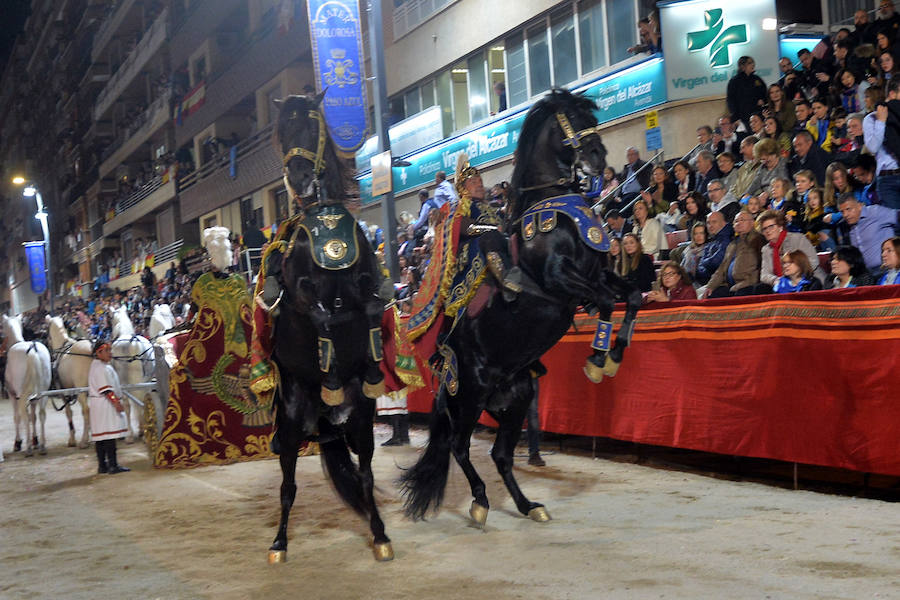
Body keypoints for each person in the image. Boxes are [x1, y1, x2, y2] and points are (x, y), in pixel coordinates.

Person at [757, 209, 824, 293]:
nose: (767, 231)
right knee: (759, 289)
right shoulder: (766, 249)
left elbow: (813, 261)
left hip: (808, 280)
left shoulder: (797, 238)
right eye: (764, 229)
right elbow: (764, 275)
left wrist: (795, 276)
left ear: (780, 227)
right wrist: (777, 280)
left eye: (771, 226)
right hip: (782, 285)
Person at [89, 339, 129, 474]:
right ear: (98, 353)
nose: (110, 353)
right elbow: (106, 390)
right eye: (107, 350)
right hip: (104, 404)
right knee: (108, 436)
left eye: (110, 350)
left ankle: (102, 465)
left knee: (101, 438)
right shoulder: (100, 368)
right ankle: (113, 465)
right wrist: (116, 403)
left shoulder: (99, 366)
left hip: (99, 404)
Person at [705, 210, 764, 297]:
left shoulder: (758, 240)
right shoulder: (732, 244)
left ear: (752, 223)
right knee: (712, 295)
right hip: (730, 285)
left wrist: (744, 284)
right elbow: (721, 269)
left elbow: (761, 268)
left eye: (742, 220)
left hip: (747, 284)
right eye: (736, 221)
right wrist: (710, 286)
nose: (739, 223)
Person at [837, 193, 899, 271]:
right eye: (842, 212)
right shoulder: (845, 226)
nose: (845, 215)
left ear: (859, 206)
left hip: (886, 269)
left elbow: (898, 215)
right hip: (866, 273)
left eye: (848, 209)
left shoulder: (875, 212)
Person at [863, 79, 900, 209]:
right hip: (887, 180)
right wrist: (881, 122)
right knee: (895, 223)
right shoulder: (871, 118)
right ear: (892, 94)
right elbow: (873, 147)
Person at [727, 56, 767, 128]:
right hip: (743, 118)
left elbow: (764, 92)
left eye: (753, 62)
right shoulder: (734, 81)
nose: (753, 65)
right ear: (742, 66)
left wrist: (763, 100)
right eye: (749, 63)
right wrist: (735, 118)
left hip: (758, 116)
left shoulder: (757, 79)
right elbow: (731, 101)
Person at [695, 211, 733, 286]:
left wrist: (704, 263)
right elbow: (702, 264)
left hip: (720, 283)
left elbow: (717, 262)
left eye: (714, 222)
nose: (710, 226)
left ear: (724, 223)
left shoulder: (727, 238)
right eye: (708, 223)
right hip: (707, 280)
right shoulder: (713, 239)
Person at [745, 138, 789, 202]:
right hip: (763, 198)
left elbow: (783, 184)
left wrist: (768, 193)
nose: (765, 162)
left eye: (767, 158)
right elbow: (755, 183)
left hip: (778, 197)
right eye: (762, 160)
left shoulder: (782, 164)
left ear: (775, 154)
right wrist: (747, 194)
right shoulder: (762, 167)